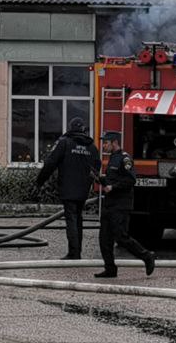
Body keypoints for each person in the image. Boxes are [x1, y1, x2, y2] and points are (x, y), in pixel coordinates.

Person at [32, 117, 101, 260]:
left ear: (70, 128)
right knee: (78, 219)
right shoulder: (92, 146)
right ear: (83, 129)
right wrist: (88, 181)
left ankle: (74, 253)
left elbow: (50, 163)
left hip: (68, 188)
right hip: (83, 190)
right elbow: (97, 167)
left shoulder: (64, 143)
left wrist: (39, 182)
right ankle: (77, 252)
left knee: (71, 219)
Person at [95, 130, 156, 278]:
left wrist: (113, 187)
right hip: (109, 204)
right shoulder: (112, 158)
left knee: (121, 237)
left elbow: (131, 180)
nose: (103, 146)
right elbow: (113, 180)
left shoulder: (124, 159)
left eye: (106, 143)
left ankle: (147, 256)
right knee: (104, 239)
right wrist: (101, 180)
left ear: (114, 142)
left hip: (120, 205)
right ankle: (110, 269)